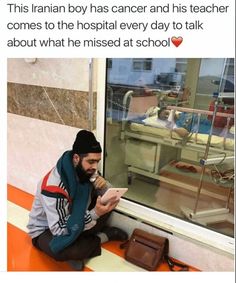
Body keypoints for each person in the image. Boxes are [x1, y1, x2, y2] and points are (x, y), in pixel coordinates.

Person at [27, 130, 128, 271]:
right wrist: (95, 214)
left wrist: (104, 185)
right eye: (91, 162)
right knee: (63, 251)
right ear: (76, 158)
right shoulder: (53, 187)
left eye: (97, 162)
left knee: (107, 201)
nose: (95, 167)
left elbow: (109, 194)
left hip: (75, 217)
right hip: (47, 230)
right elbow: (60, 229)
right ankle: (103, 237)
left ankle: (84, 242)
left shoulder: (86, 169)